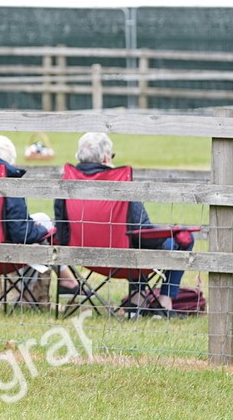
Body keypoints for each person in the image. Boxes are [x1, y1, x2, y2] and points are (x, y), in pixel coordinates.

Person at [54, 132, 194, 317]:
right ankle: (164, 302)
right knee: (179, 239)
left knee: (134, 239)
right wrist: (171, 232)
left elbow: (62, 232)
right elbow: (142, 231)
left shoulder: (67, 180)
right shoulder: (120, 181)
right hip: (124, 260)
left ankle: (137, 300)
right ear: (106, 158)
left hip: (81, 257)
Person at [0, 135, 84, 296]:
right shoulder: (7, 177)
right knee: (43, 226)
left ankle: (65, 281)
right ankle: (65, 282)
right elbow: (21, 233)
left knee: (39, 221)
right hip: (0, 251)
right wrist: (42, 231)